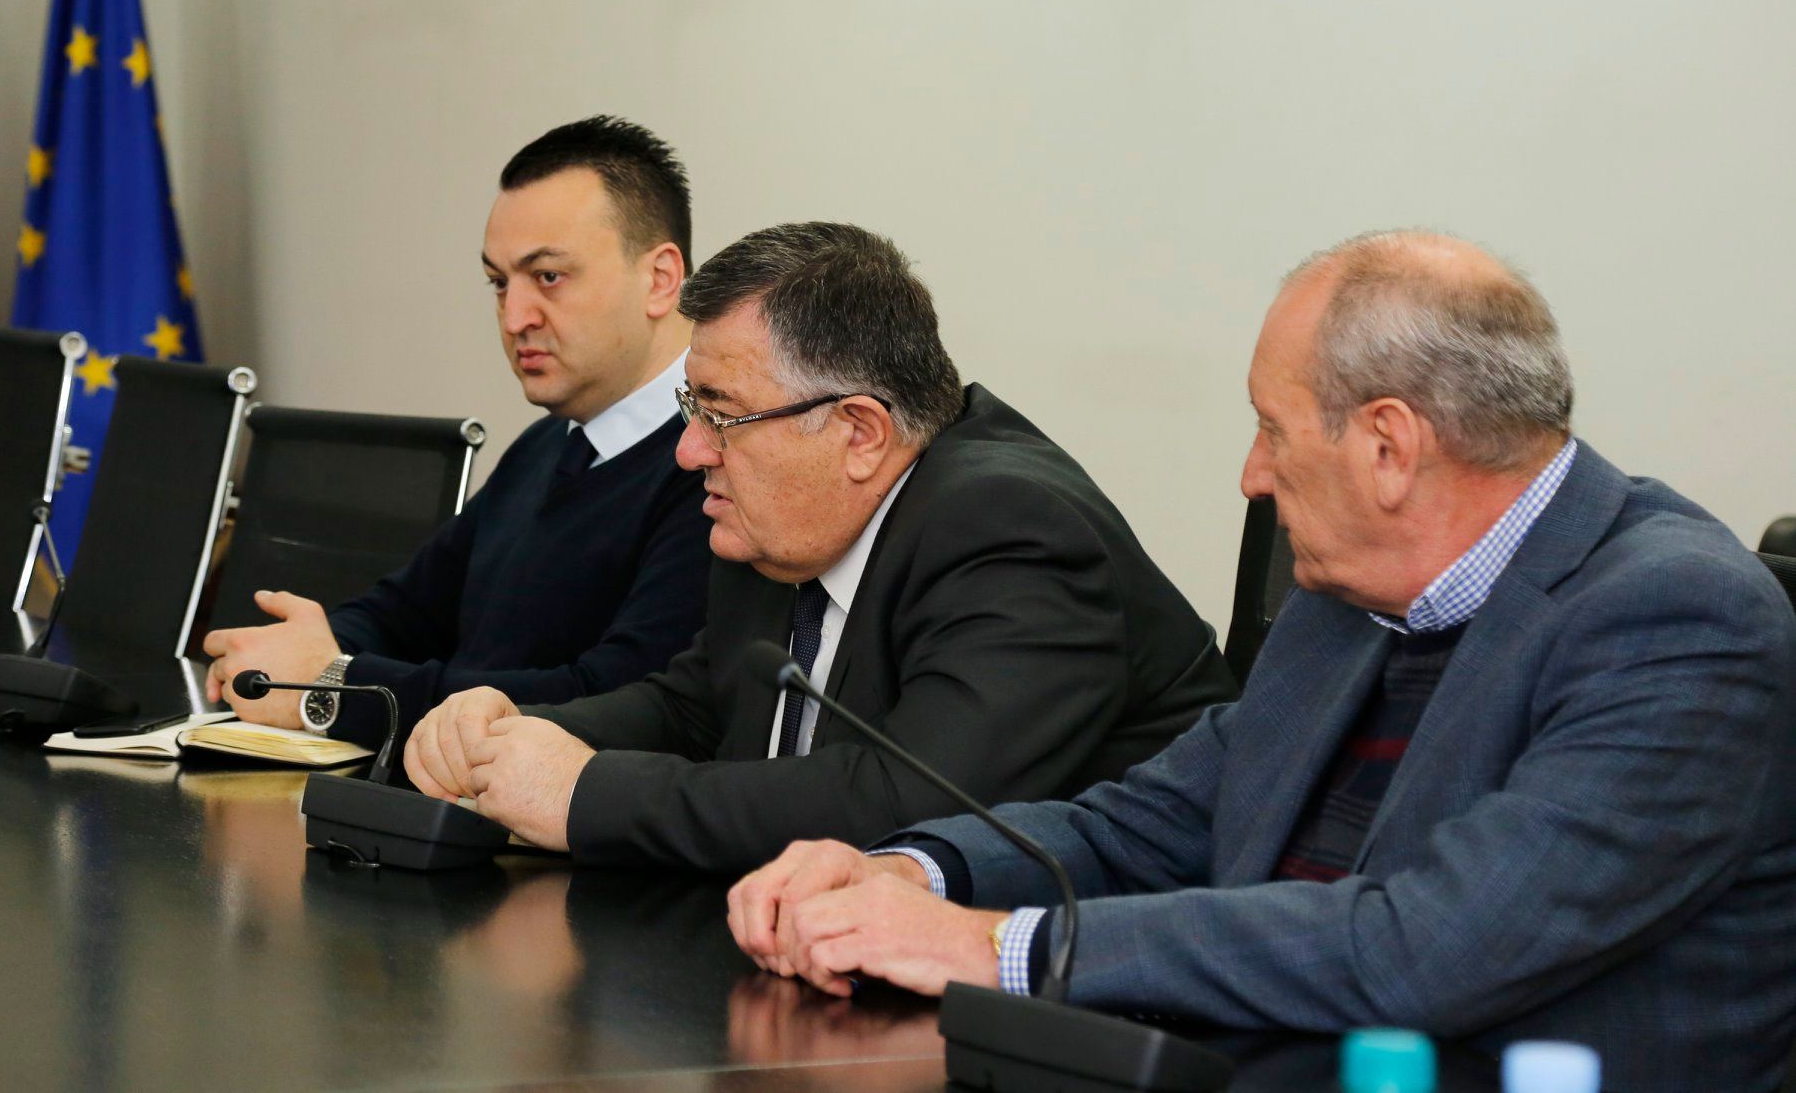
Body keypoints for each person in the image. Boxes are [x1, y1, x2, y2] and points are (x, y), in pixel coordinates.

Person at [727, 231, 1796, 1093]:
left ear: (1388, 447)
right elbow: (1147, 824)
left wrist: (988, 945)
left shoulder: (1678, 622)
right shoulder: (1349, 596)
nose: (1250, 476)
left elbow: (1423, 948)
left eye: (1270, 431)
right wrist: (911, 873)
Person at [400, 222, 1237, 871]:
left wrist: (584, 795)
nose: (689, 450)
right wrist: (511, 736)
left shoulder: (1014, 532)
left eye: (720, 414)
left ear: (859, 432)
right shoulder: (785, 522)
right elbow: (694, 709)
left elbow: (911, 806)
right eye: (691, 408)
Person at [202, 116, 712, 740]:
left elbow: (615, 700)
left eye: (548, 276)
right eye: (499, 283)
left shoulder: (714, 466)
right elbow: (407, 613)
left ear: (660, 279)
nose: (515, 317)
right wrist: (285, 659)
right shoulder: (550, 444)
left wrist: (333, 687)